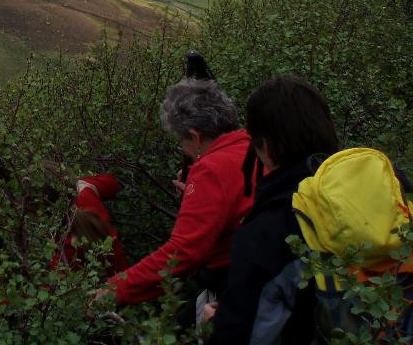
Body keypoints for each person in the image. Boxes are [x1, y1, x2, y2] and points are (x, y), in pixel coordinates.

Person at [93, 81, 254, 307]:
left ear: (196, 137)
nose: (184, 150)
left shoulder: (210, 170)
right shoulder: (252, 144)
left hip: (234, 285)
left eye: (182, 142)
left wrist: (117, 289)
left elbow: (184, 253)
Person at [206, 76, 339, 345]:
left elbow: (242, 335)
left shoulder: (269, 229)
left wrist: (220, 323)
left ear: (265, 146)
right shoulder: (387, 188)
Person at [51, 172, 128, 276]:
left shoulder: (67, 242)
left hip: (108, 282)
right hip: (122, 273)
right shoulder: (84, 187)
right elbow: (111, 182)